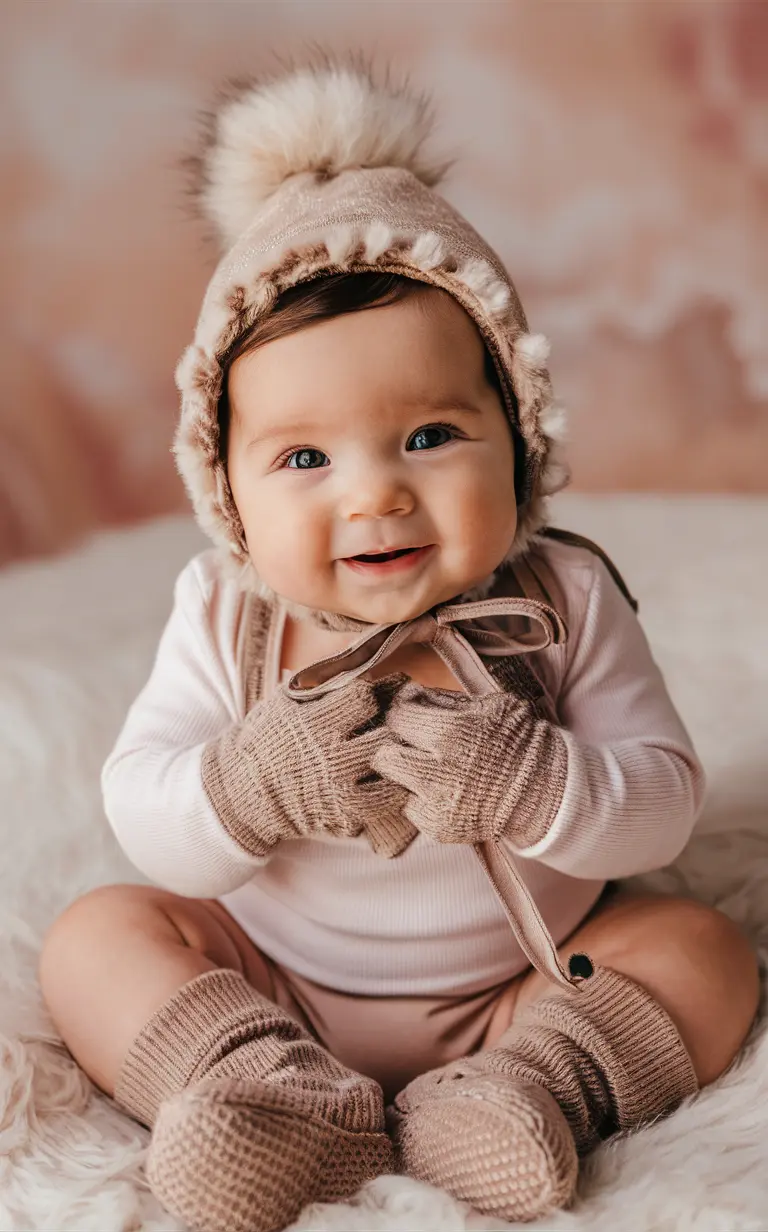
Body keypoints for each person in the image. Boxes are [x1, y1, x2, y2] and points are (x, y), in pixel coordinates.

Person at [39, 61, 759, 1232]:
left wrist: (535, 779)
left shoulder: (562, 597)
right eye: (306, 459)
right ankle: (252, 1084)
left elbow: (664, 803)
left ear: (518, 443)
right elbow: (147, 808)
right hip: (272, 980)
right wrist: (252, 780)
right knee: (96, 937)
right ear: (226, 490)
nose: (374, 497)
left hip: (528, 985)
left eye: (429, 434)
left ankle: (530, 1087)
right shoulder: (227, 613)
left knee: (702, 947)